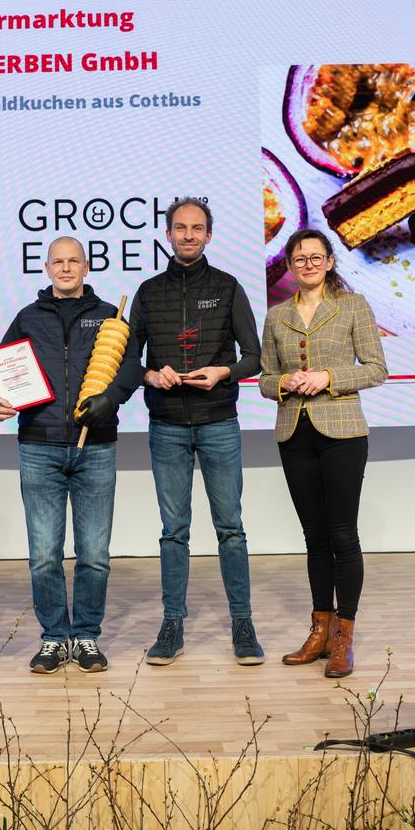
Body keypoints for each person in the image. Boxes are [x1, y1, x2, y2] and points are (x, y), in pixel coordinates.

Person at [0, 237, 142, 674]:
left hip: (97, 446)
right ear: (47, 268)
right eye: (58, 262)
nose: (66, 268)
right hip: (39, 447)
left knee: (94, 555)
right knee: (44, 555)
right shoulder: (27, 317)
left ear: (86, 267)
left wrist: (112, 398)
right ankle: (53, 637)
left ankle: (86, 635)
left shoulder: (110, 315)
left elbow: (131, 365)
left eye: (73, 261)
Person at [128, 196, 264, 665]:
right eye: (181, 228)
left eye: (197, 228)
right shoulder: (148, 292)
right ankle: (172, 625)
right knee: (174, 531)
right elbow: (128, 361)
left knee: (231, 528)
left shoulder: (228, 287)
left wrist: (223, 372)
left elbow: (254, 357)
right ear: (168, 234)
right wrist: (151, 375)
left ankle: (243, 624)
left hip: (218, 422)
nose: (189, 235)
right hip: (166, 424)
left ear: (209, 235)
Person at [258, 229, 386, 678]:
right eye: (300, 259)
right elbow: (265, 379)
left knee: (342, 534)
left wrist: (328, 377)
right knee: (314, 537)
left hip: (343, 433)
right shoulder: (277, 315)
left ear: (330, 262)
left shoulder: (353, 306)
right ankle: (319, 629)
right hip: (295, 432)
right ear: (290, 266)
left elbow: (377, 369)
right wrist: (284, 383)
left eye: (316, 257)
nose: (308, 265)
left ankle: (343, 636)